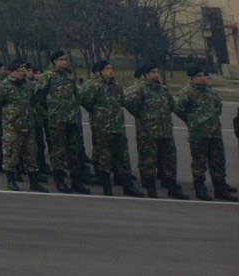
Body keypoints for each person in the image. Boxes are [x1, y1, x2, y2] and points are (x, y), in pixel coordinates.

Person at [173, 66, 238, 201]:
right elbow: (178, 109)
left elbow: (218, 108)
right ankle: (200, 188)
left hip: (215, 133)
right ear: (192, 78)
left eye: (205, 76)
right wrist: (192, 121)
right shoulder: (187, 92)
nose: (203, 78)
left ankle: (220, 189)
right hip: (198, 134)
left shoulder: (211, 92)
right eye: (199, 76)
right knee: (199, 162)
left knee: (218, 161)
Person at [79, 60, 142, 197]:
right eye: (107, 68)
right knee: (104, 159)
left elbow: (121, 102)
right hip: (103, 128)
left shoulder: (117, 87)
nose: (111, 71)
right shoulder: (93, 85)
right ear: (100, 71)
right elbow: (85, 101)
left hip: (118, 127)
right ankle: (107, 186)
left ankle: (128, 186)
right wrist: (99, 114)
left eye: (111, 68)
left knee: (123, 158)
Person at [124, 64, 187, 199]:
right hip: (148, 133)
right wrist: (143, 116)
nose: (156, 74)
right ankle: (151, 188)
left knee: (169, 161)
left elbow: (171, 105)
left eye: (157, 72)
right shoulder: (140, 88)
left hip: (165, 132)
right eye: (153, 72)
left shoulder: (162, 89)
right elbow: (129, 103)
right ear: (146, 74)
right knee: (149, 161)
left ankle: (172, 187)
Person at [34, 50, 89, 194]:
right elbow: (38, 96)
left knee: (74, 151)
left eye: (65, 59)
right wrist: (51, 110)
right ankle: (60, 181)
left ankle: (76, 181)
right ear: (54, 61)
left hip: (72, 119)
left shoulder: (68, 76)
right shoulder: (47, 76)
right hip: (57, 120)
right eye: (61, 59)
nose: (65, 61)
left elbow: (76, 96)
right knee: (58, 151)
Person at [0, 59, 47, 192]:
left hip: (28, 125)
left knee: (31, 155)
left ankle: (34, 182)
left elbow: (33, 101)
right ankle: (11, 180)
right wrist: (6, 119)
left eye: (23, 71)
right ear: (11, 72)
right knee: (11, 154)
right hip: (12, 126)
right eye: (19, 71)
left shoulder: (28, 84)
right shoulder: (4, 86)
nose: (22, 73)